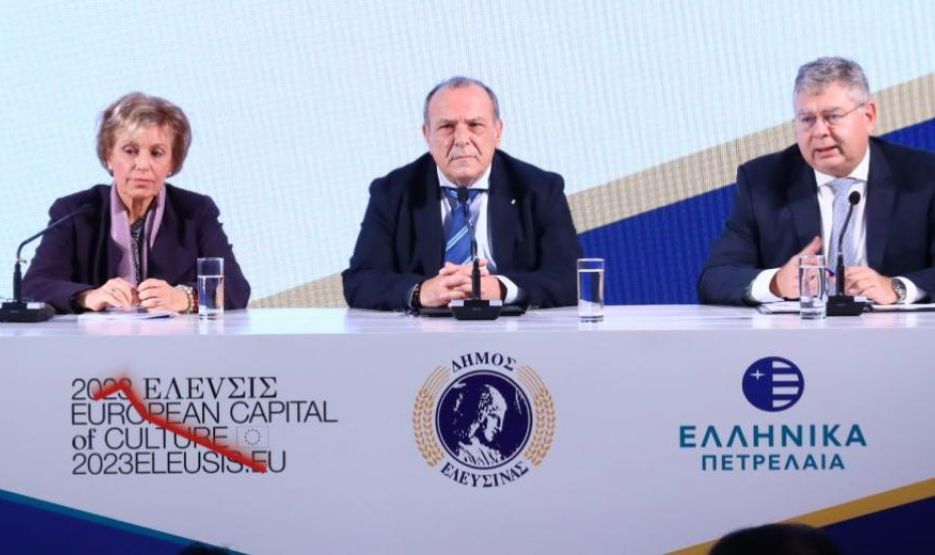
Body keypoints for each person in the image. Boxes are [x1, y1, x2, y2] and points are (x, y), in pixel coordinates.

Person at [699, 57, 935, 306]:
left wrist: (896, 288)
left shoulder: (924, 176)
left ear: (869, 116)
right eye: (807, 120)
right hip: (802, 330)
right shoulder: (762, 181)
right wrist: (776, 283)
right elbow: (715, 277)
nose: (820, 132)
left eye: (832, 116)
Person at [342, 76, 581, 310]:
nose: (461, 140)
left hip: (510, 329)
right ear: (427, 134)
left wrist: (502, 288)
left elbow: (571, 277)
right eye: (447, 127)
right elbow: (361, 279)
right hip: (425, 332)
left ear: (497, 132)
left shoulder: (539, 189)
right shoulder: (392, 192)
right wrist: (421, 291)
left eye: (475, 125)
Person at [23, 92, 250, 313]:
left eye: (157, 153)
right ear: (108, 155)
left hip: (177, 337)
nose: (142, 164)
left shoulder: (195, 211)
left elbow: (236, 287)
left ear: (173, 162)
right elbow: (34, 286)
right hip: (96, 338)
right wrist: (87, 296)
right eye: (130, 151)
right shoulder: (75, 211)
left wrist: (184, 298)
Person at [451, 383, 508, 467]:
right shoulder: (460, 452)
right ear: (481, 414)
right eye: (495, 417)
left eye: (501, 420)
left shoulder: (493, 456)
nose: (499, 427)